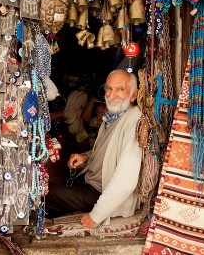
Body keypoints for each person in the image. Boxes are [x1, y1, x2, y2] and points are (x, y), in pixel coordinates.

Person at [45, 69, 142, 229]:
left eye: (120, 89)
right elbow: (109, 150)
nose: (112, 95)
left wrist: (97, 215)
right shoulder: (112, 116)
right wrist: (86, 157)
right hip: (89, 182)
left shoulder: (134, 120)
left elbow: (126, 178)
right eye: (109, 88)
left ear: (133, 95)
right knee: (51, 183)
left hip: (99, 192)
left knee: (43, 192)